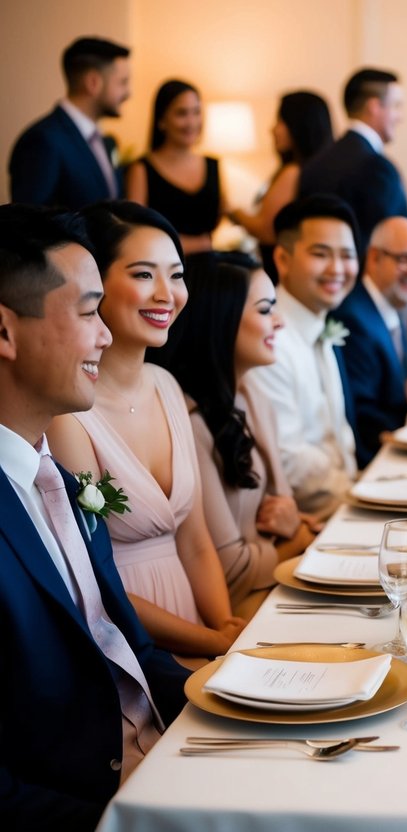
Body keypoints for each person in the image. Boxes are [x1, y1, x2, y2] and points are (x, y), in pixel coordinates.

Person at [0, 204, 189, 829]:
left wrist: (232, 687)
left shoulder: (56, 473)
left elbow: (127, 646)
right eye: (88, 313)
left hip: (168, 754)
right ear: (4, 333)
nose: (106, 334)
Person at [46, 200, 245, 662]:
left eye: (176, 275)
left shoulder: (168, 386)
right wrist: (211, 645)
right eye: (143, 275)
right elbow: (95, 576)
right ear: (94, 286)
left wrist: (225, 628)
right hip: (131, 643)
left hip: (198, 627)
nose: (166, 294)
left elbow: (194, 542)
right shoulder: (69, 416)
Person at [151, 252, 313, 618]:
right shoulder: (189, 422)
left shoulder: (254, 394)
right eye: (265, 309)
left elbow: (285, 508)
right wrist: (298, 537)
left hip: (274, 587)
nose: (280, 321)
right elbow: (232, 571)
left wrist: (293, 527)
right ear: (220, 320)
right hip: (243, 610)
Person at [244, 195, 359, 517]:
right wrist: (360, 497)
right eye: (321, 254)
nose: (337, 269)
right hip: (311, 517)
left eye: (348, 256)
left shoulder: (319, 325)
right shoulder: (270, 339)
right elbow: (287, 458)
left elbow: (337, 434)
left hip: (341, 500)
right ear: (282, 258)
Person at [333, 217, 407, 466]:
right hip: (374, 460)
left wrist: (405, 391)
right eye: (406, 260)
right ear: (374, 257)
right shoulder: (354, 316)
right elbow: (362, 412)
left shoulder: (387, 307)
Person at [297, 67, 407, 252]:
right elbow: (396, 238)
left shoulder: (315, 162)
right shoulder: (378, 167)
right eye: (396, 106)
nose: (400, 117)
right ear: (374, 107)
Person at [8, 37, 130, 207]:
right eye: (123, 83)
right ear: (93, 83)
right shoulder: (43, 141)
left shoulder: (106, 141)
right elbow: (29, 225)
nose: (128, 93)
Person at [230, 91, 334, 277]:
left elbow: (267, 231)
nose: (273, 129)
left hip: (279, 271)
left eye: (280, 122)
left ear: (299, 127)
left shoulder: (293, 172)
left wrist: (233, 212)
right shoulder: (322, 170)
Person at [127, 80, 224, 255]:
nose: (191, 122)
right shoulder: (141, 169)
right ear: (161, 121)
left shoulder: (213, 165)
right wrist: (198, 244)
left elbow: (222, 215)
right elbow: (137, 233)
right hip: (165, 271)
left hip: (210, 272)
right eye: (181, 113)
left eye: (196, 112)